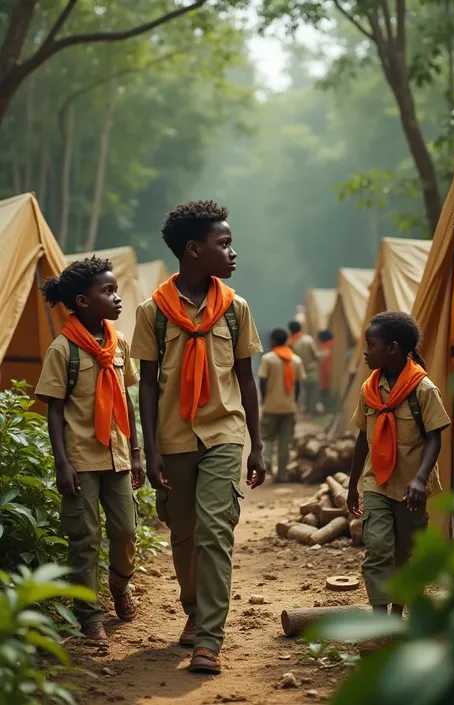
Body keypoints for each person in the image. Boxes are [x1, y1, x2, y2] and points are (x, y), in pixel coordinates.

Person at [131, 200, 264, 675]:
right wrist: (150, 450)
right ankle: (192, 611)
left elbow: (247, 380)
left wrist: (257, 443)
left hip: (224, 432)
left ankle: (209, 639)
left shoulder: (235, 309)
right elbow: (147, 383)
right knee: (184, 534)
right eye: (223, 244)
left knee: (214, 532)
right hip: (174, 438)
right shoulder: (154, 313)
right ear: (193, 250)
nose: (232, 253)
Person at [36, 257, 144, 646]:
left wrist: (135, 451)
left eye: (116, 290)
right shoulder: (62, 349)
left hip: (116, 456)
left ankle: (119, 585)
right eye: (108, 291)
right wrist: (61, 463)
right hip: (81, 461)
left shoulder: (118, 344)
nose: (117, 298)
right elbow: (54, 410)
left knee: (126, 531)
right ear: (83, 301)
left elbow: (125, 399)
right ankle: (89, 616)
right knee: (85, 540)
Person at [347, 311, 450, 618]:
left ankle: (397, 615)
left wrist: (420, 479)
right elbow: (362, 438)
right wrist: (353, 483)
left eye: (370, 344)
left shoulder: (423, 390)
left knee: (406, 553)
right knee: (377, 548)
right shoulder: (369, 390)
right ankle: (379, 620)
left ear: (392, 348)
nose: (365, 351)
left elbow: (435, 438)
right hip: (375, 481)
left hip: (410, 487)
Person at [258, 328, 306, 482]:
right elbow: (298, 385)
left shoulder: (268, 359)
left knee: (267, 438)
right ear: (286, 341)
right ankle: (281, 474)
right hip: (289, 407)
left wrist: (265, 399)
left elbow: (262, 381)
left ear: (273, 341)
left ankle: (267, 467)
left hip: (270, 406)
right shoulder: (296, 360)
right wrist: (294, 401)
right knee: (285, 442)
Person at [288, 320, 320, 418]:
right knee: (312, 394)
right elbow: (316, 355)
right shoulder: (308, 340)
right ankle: (312, 413)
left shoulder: (290, 342)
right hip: (311, 371)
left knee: (301, 394)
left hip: (297, 372)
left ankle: (301, 414)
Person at [318, 329, 334, 411]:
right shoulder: (332, 346)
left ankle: (327, 409)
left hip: (325, 376)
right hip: (327, 376)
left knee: (325, 394)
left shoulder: (325, 348)